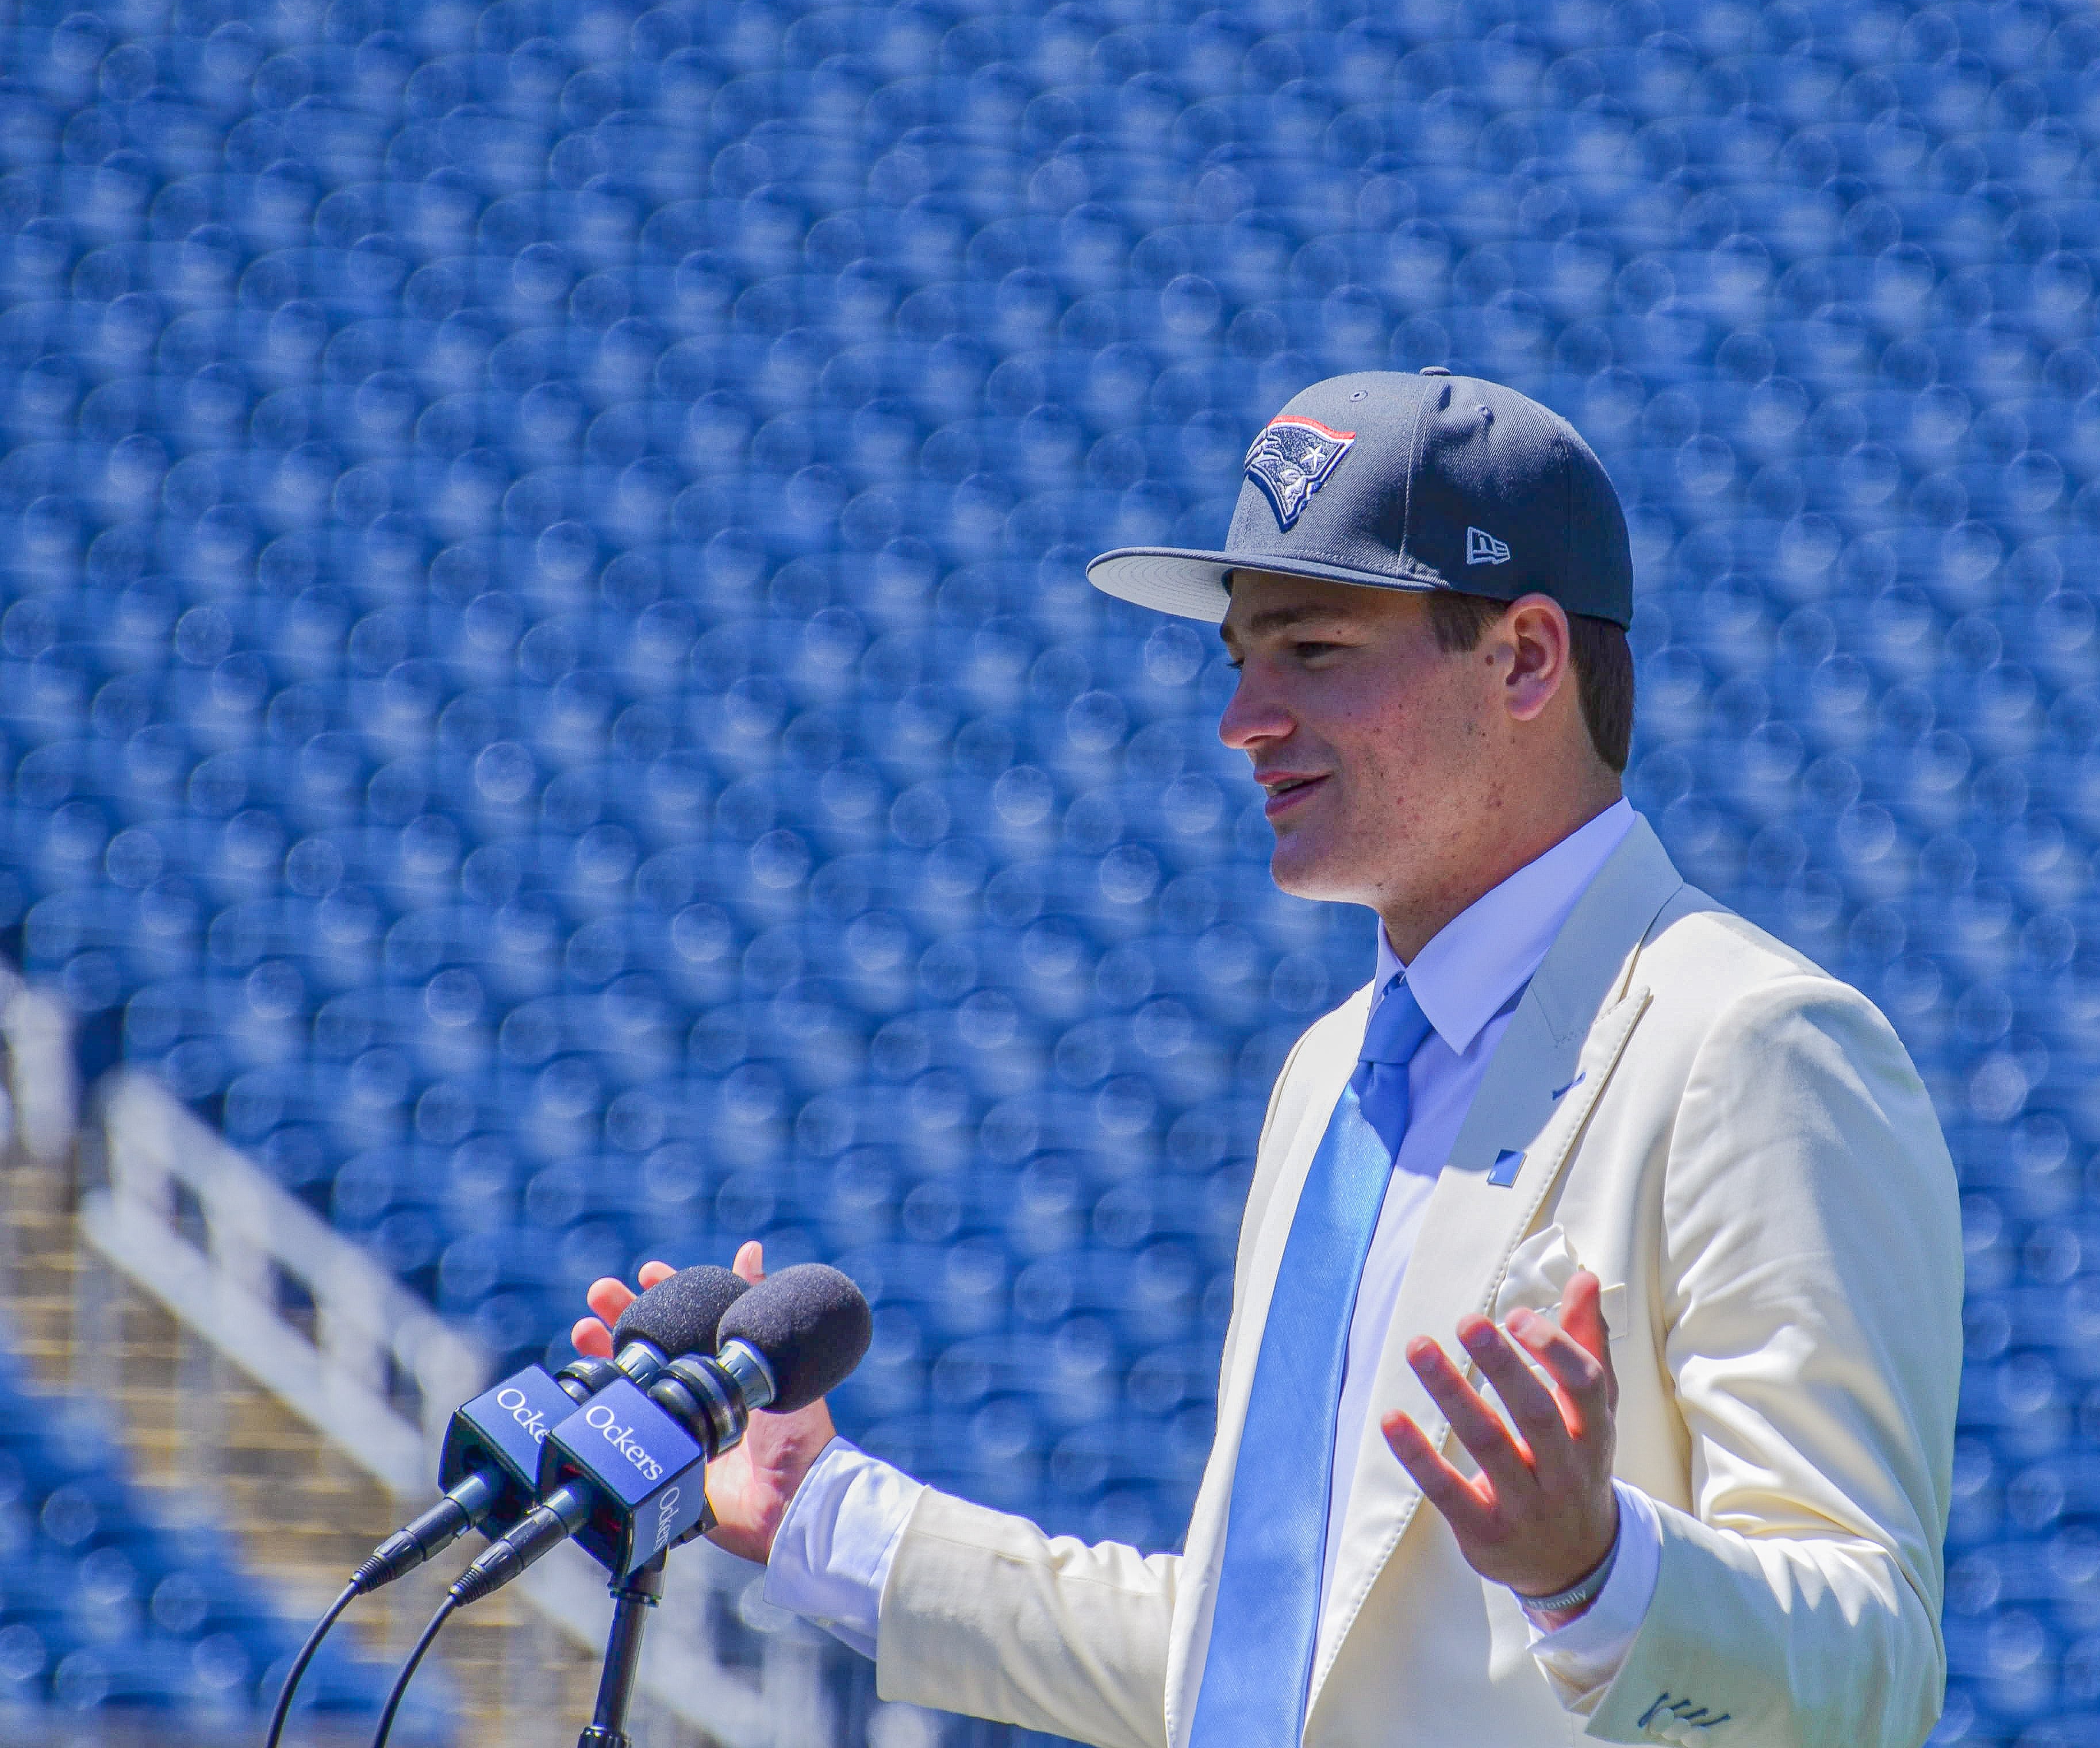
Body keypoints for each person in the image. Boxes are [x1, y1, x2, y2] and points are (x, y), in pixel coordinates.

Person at [575, 368, 1963, 1746]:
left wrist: (1596, 1572)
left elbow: (1875, 1671)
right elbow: (1273, 1665)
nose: (1242, 721)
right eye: (1240, 660)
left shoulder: (1753, 1045)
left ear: (1528, 659)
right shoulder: (1329, 1073)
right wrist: (820, 1517)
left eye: (1315, 651)